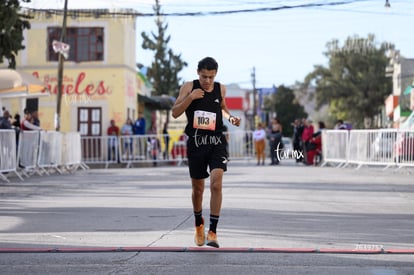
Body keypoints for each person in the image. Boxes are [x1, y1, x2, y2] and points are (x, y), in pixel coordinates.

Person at [171, 57, 241, 248]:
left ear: (216, 74)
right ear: (198, 73)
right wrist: (191, 97)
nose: (207, 81)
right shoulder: (188, 87)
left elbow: (223, 109)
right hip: (196, 143)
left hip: (217, 141)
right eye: (204, 77)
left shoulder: (221, 88)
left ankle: (213, 232)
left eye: (211, 77)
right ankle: (198, 224)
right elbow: (175, 112)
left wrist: (231, 118)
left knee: (217, 184)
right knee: (198, 189)